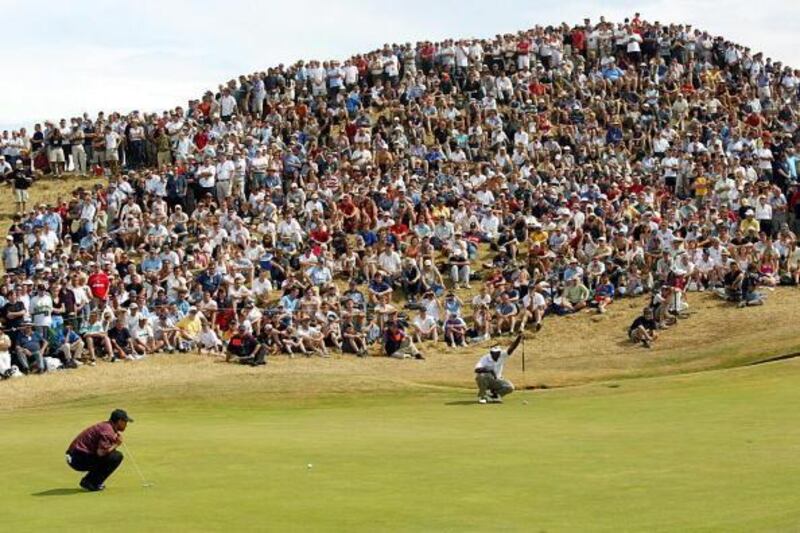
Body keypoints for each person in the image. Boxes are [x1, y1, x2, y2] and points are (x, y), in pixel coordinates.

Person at [66, 409, 132, 491]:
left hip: (75, 455)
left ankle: (90, 481)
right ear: (119, 421)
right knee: (116, 456)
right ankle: (90, 482)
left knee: (112, 454)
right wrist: (116, 444)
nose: (126, 425)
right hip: (77, 459)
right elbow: (101, 453)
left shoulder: (107, 426)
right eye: (125, 422)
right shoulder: (108, 431)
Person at [474, 333, 523, 404]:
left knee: (510, 387)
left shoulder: (502, 355)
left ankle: (494, 395)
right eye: (495, 353)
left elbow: (512, 348)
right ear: (491, 353)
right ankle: (483, 397)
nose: (497, 354)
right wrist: (490, 370)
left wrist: (519, 338)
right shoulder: (485, 358)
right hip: (487, 380)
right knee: (481, 376)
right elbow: (477, 369)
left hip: (497, 379)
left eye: (498, 353)